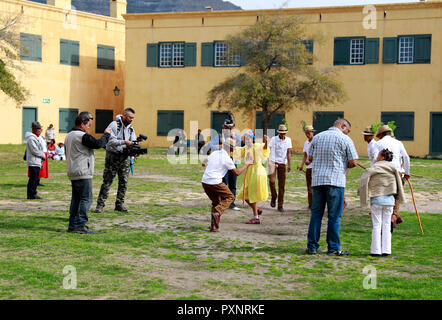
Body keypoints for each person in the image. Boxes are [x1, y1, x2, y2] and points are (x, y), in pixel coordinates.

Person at [306, 118, 358, 256]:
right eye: (348, 129)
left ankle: (312, 246)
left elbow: (310, 158)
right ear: (343, 126)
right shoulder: (345, 139)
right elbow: (353, 162)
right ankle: (333, 248)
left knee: (316, 214)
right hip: (335, 181)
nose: (348, 132)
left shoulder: (317, 137)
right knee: (334, 216)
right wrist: (347, 163)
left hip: (317, 181)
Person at [65, 112, 111, 234]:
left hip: (73, 171)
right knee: (86, 199)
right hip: (82, 172)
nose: (89, 127)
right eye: (88, 124)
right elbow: (98, 144)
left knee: (76, 199)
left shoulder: (69, 135)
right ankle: (80, 224)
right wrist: (106, 135)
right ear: (82, 123)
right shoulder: (81, 135)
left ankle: (72, 224)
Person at [358, 149, 405, 257]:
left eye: (378, 155)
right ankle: (386, 250)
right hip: (389, 201)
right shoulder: (394, 169)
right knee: (387, 225)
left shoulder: (374, 168)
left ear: (383, 157)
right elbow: (399, 182)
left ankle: (375, 250)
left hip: (377, 200)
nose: (377, 156)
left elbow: (365, 179)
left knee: (377, 225)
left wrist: (361, 192)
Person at [202, 138, 251, 232]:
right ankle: (217, 212)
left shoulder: (215, 153)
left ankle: (214, 226)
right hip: (215, 182)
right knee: (230, 197)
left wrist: (204, 164)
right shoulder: (227, 159)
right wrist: (246, 164)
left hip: (205, 182)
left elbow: (204, 160)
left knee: (216, 202)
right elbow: (236, 172)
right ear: (231, 150)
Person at [94, 108, 137, 213]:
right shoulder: (114, 125)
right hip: (112, 156)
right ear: (124, 116)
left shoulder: (131, 129)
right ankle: (100, 205)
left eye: (133, 118)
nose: (132, 120)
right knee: (107, 181)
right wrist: (124, 142)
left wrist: (134, 152)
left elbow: (134, 141)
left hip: (125, 157)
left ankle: (119, 204)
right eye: (130, 117)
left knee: (124, 182)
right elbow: (110, 140)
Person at [373, 124, 410, 231]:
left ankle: (391, 218)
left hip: (383, 172)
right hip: (397, 172)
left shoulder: (378, 143)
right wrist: (406, 172)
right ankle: (394, 216)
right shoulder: (398, 143)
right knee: (396, 195)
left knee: (384, 194)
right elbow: (406, 158)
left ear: (381, 134)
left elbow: (376, 159)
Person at [234, 129, 270, 224]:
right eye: (245, 138)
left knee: (252, 195)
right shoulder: (245, 148)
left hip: (257, 173)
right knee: (244, 195)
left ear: (252, 139)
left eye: (249, 138)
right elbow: (235, 151)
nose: (247, 140)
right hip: (250, 173)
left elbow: (265, 148)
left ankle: (256, 217)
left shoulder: (257, 146)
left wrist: (267, 141)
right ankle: (256, 210)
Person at [209, 119, 243, 211]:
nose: (227, 130)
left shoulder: (237, 137)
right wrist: (219, 149)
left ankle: (232, 203)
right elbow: (210, 144)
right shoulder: (220, 136)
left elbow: (240, 147)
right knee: (224, 183)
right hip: (223, 164)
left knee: (233, 184)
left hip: (233, 162)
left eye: (229, 128)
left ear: (233, 128)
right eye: (226, 128)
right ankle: (223, 202)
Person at [267, 124, 292, 212]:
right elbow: (268, 150)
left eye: (284, 133)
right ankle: (274, 196)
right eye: (281, 133)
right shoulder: (274, 139)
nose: (283, 135)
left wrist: (289, 164)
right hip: (273, 162)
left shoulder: (288, 140)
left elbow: (288, 153)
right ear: (279, 133)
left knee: (282, 185)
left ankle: (280, 204)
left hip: (282, 163)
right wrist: (268, 161)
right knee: (272, 181)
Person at [26, 121, 46, 200]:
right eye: (38, 129)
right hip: (33, 161)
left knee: (35, 178)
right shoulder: (31, 138)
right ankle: (31, 194)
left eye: (40, 128)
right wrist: (43, 155)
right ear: (34, 129)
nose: (40, 130)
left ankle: (33, 193)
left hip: (37, 161)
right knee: (33, 179)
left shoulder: (37, 137)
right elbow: (34, 150)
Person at [297, 125, 316, 211]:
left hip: (315, 167)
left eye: (309, 133)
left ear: (312, 132)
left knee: (315, 187)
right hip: (308, 167)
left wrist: (311, 161)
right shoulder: (306, 143)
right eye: (306, 133)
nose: (308, 135)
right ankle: (310, 204)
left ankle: (316, 204)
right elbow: (305, 155)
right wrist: (302, 165)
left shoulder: (316, 141)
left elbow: (318, 155)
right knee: (309, 187)